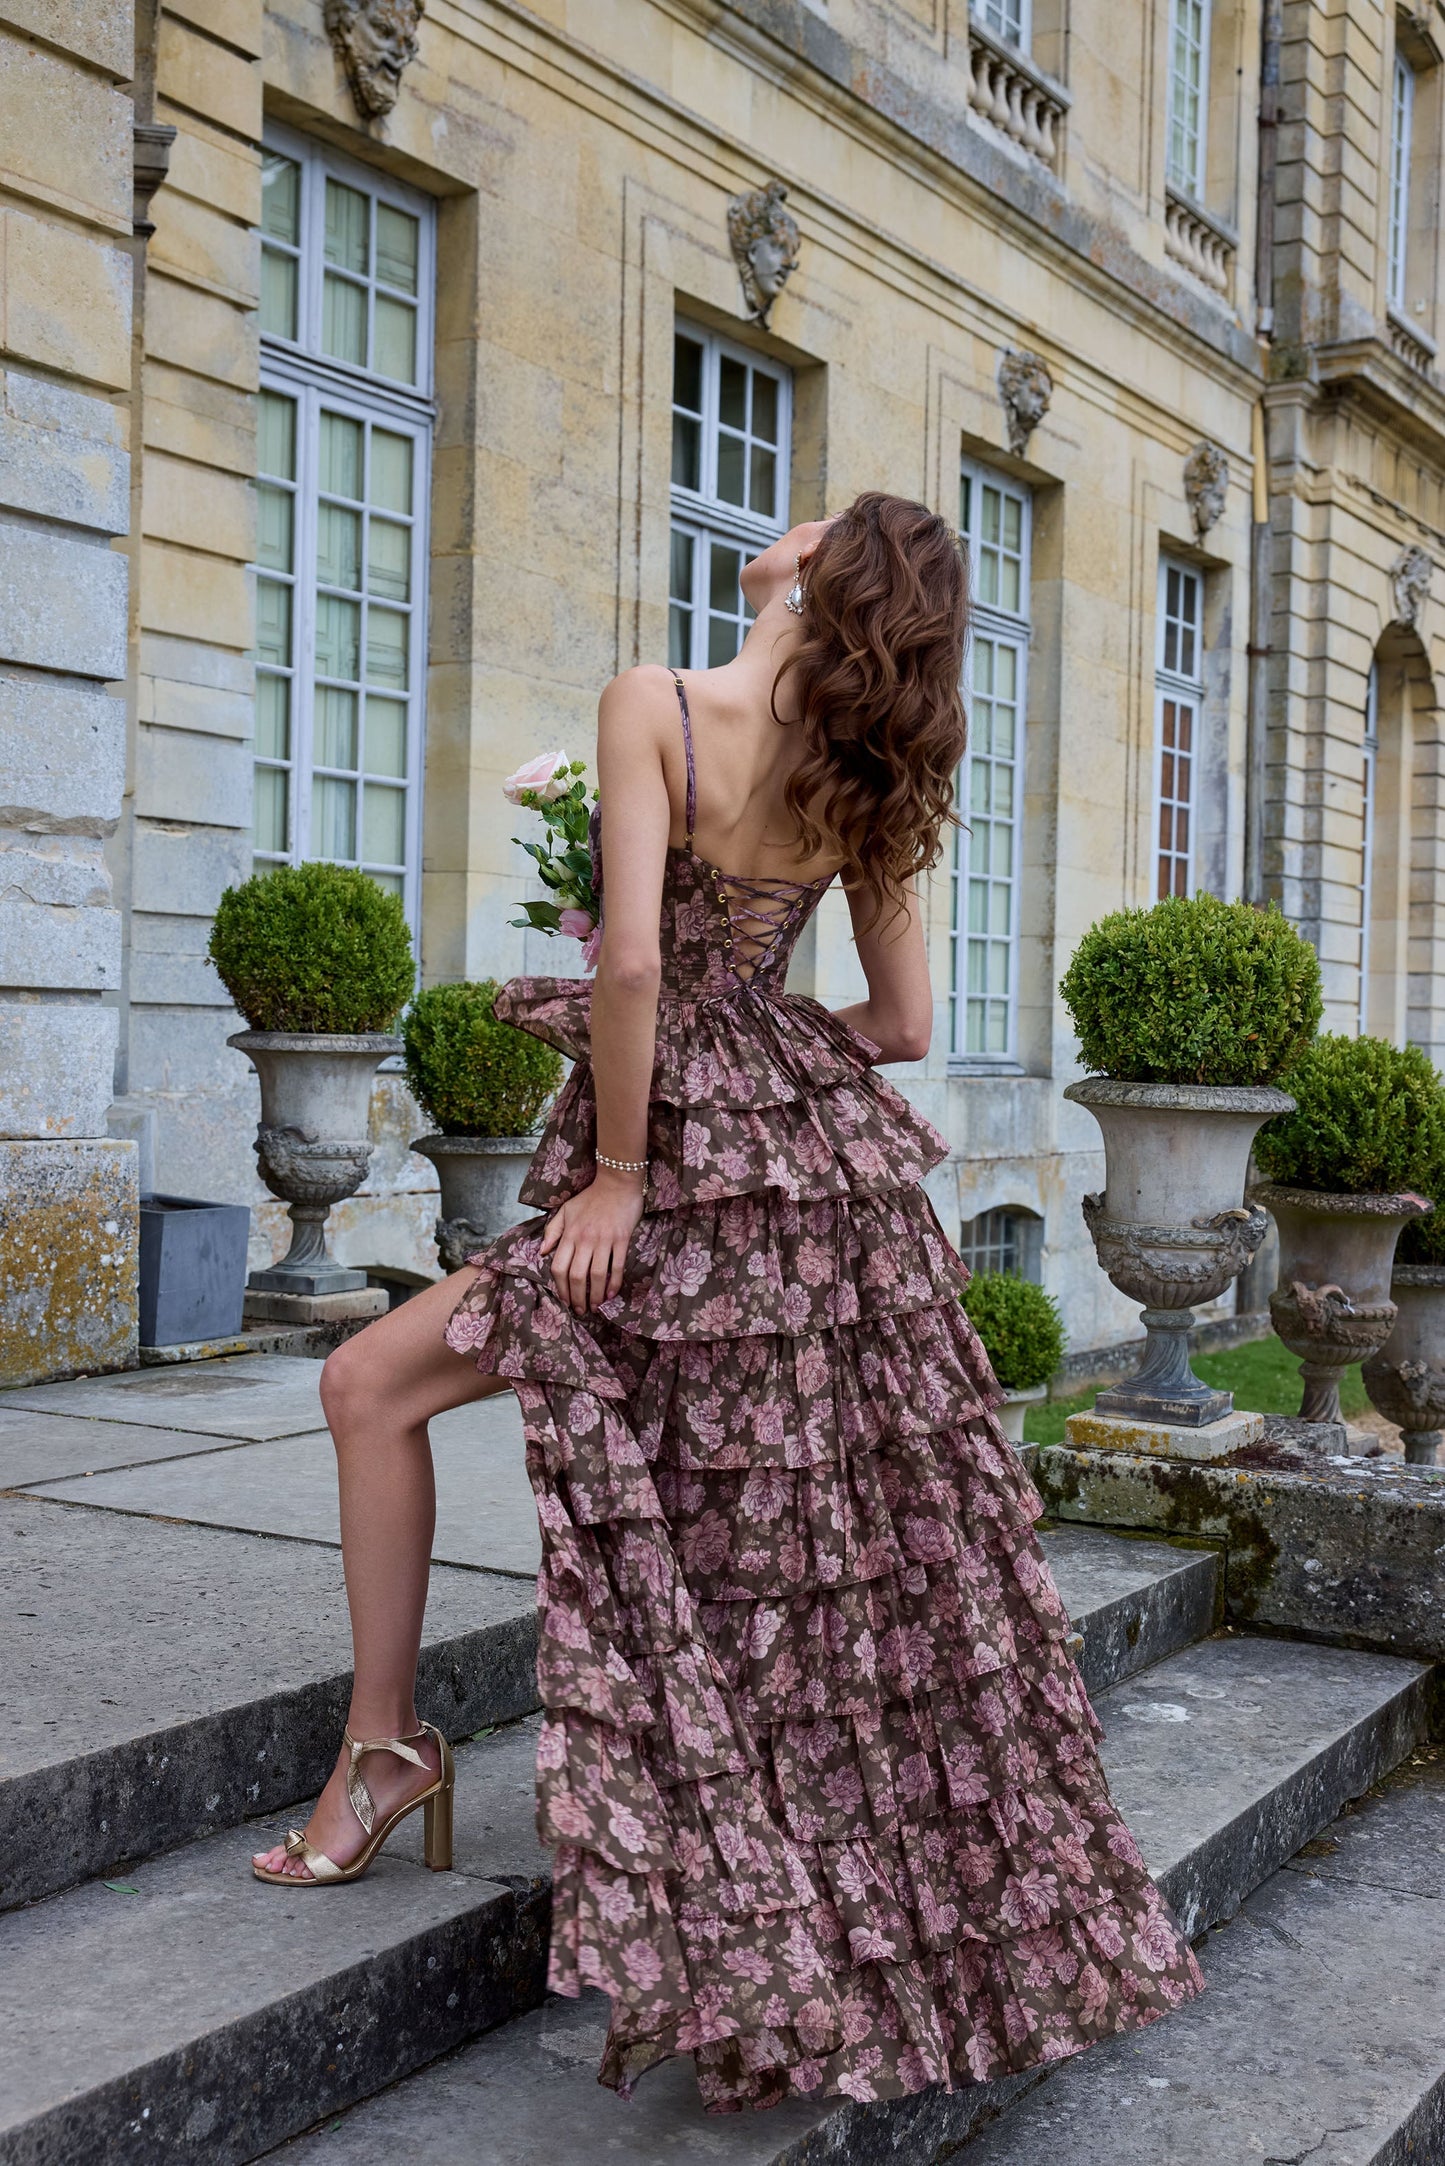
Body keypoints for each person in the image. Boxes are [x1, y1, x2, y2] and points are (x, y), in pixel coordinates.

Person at [253, 492, 1202, 2109]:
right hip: (806, 1189)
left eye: (819, 512)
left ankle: (389, 1748)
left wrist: (624, 1163)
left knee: (372, 1389)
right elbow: (901, 1024)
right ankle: (758, 1936)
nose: (786, 510)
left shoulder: (656, 704)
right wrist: (753, 1047)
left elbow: (626, 965)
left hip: (664, 1176)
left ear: (823, 573)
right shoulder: (861, 767)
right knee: (769, 1558)